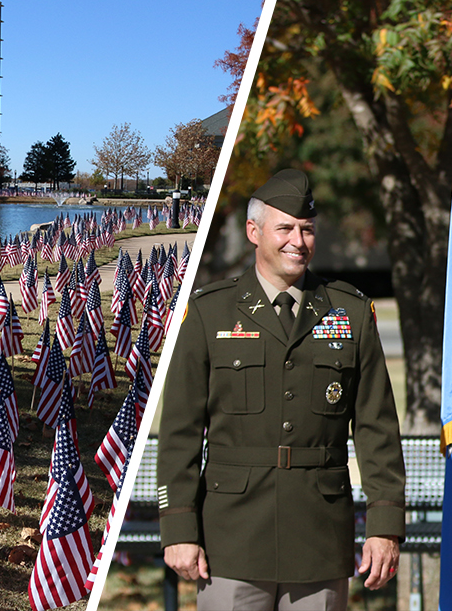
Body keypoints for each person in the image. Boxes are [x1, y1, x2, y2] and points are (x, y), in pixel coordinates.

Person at [159, 169, 406, 611]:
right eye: (286, 228)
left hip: (319, 537)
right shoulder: (208, 312)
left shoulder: (350, 312)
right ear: (254, 232)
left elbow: (376, 427)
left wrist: (384, 525)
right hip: (231, 539)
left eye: (307, 229)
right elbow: (180, 430)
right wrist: (178, 528)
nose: (298, 240)